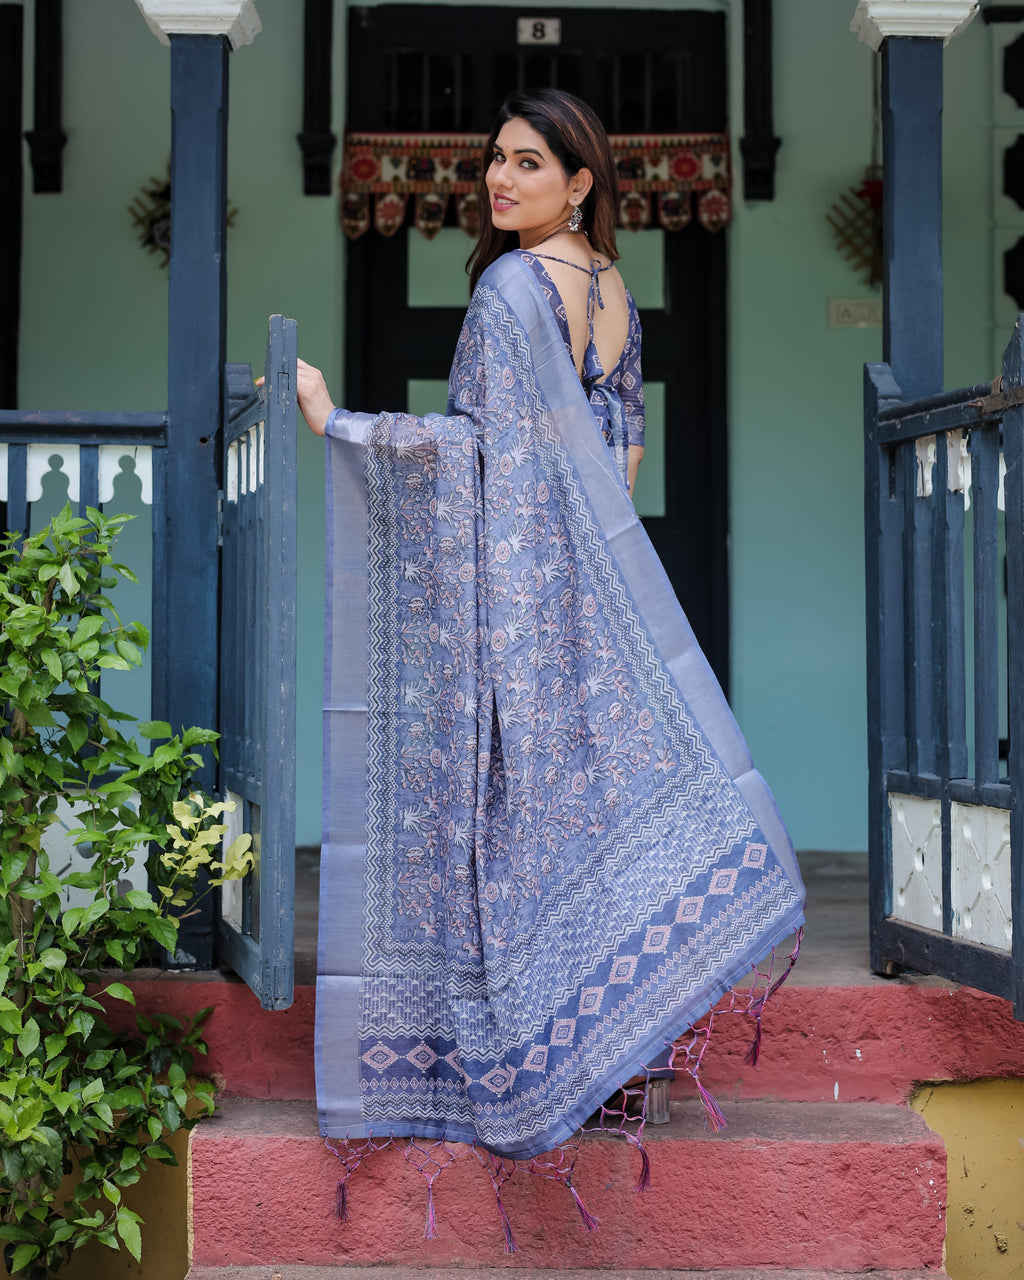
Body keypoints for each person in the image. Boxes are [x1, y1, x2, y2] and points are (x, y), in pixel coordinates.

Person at [299, 89, 804, 1234]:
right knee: (588, 808)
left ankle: (537, 1059)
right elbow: (619, 468)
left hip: (518, 597)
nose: (498, 180)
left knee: (512, 814)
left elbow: (474, 451)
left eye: (528, 164)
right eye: (492, 162)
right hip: (601, 590)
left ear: (581, 182)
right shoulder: (613, 293)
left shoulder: (509, 288)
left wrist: (342, 425)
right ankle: (618, 1055)